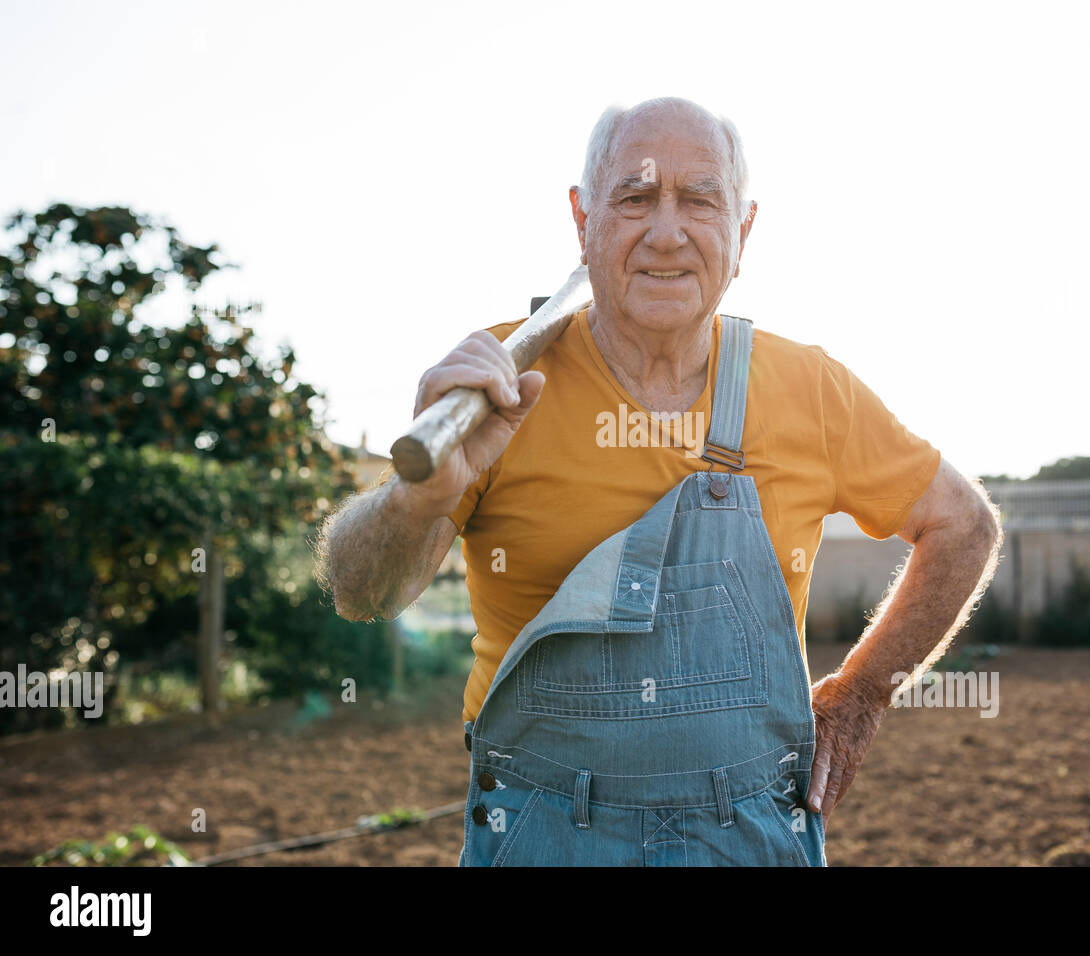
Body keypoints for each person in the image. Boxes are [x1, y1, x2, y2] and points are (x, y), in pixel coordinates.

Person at [317, 97, 1002, 866]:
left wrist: (862, 694)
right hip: (541, 831)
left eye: (700, 200)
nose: (666, 232)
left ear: (742, 231)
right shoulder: (500, 382)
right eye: (635, 198)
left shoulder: (810, 388)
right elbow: (362, 590)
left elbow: (965, 526)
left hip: (749, 836)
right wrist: (420, 496)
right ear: (583, 220)